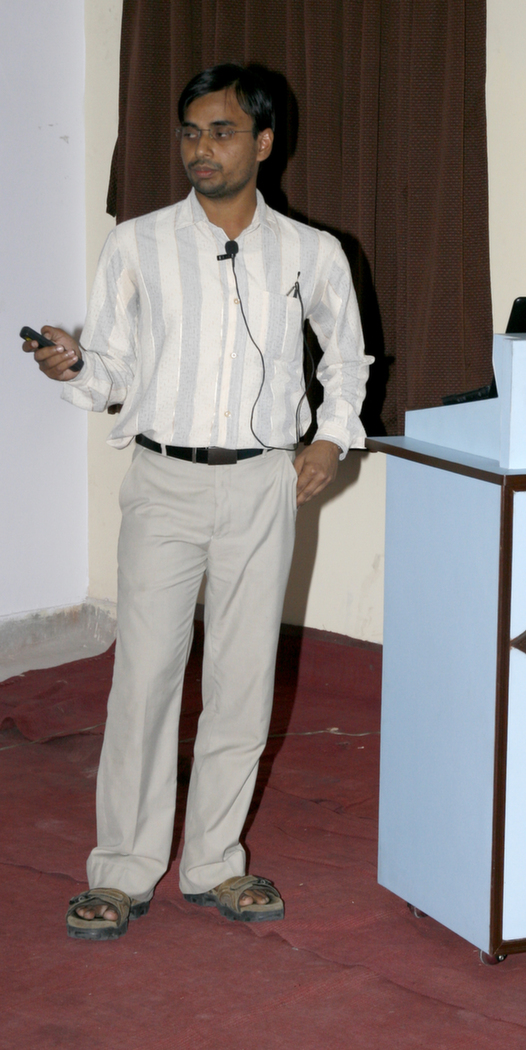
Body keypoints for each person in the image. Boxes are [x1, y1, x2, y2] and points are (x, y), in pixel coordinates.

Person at [23, 63, 372, 940]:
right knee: (143, 681)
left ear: (264, 142)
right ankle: (121, 869)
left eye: (221, 132)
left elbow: (347, 355)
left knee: (244, 683)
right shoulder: (137, 244)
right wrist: (74, 364)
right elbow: (112, 369)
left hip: (262, 482)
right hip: (164, 481)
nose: (200, 149)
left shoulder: (312, 252)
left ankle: (216, 862)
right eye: (189, 132)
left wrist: (332, 436)